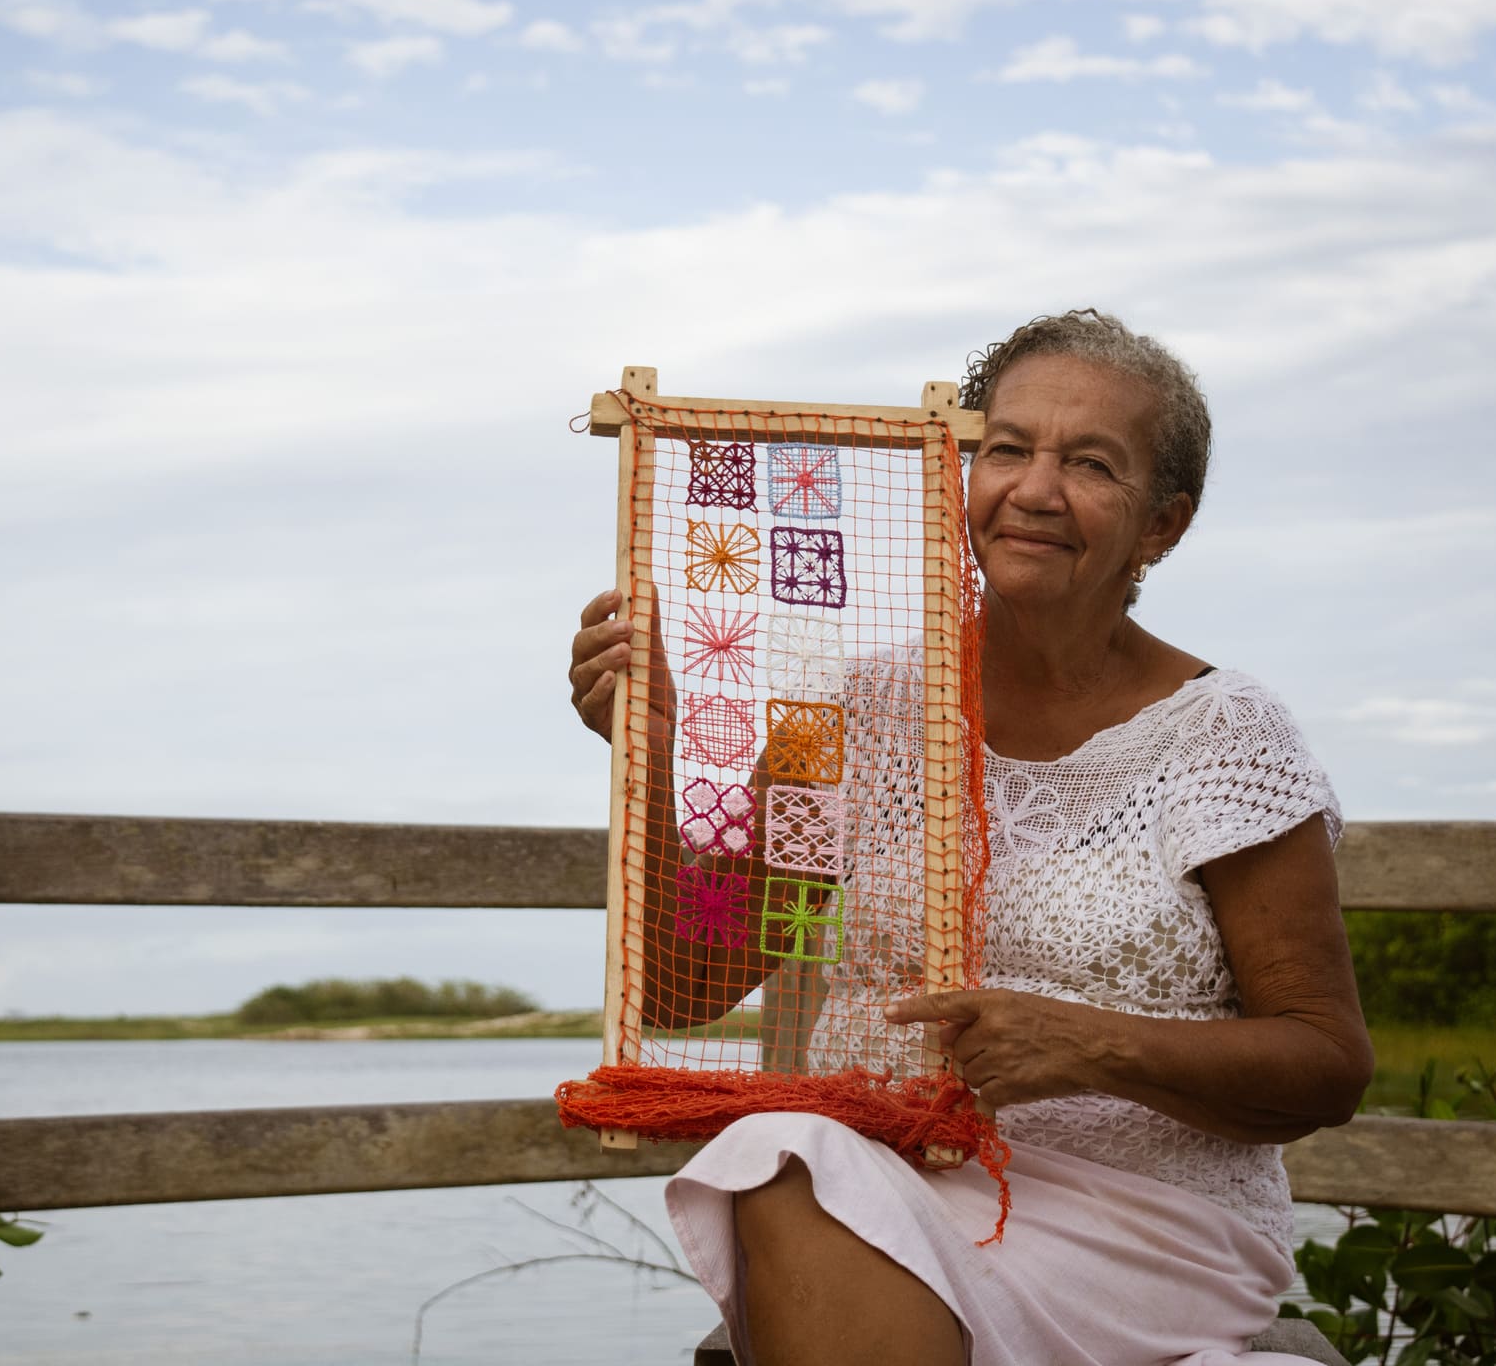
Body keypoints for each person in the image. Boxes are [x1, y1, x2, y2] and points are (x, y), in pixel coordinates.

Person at [564, 310, 1373, 1366]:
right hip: (878, 1182)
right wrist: (656, 753)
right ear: (962, 473)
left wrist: (1088, 1042)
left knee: (793, 1159)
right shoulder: (854, 709)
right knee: (781, 1150)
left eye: (1090, 463)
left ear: (1163, 524)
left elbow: (1326, 1063)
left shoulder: (1223, 732)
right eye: (1007, 449)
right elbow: (693, 981)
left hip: (1143, 1221)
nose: (1035, 489)